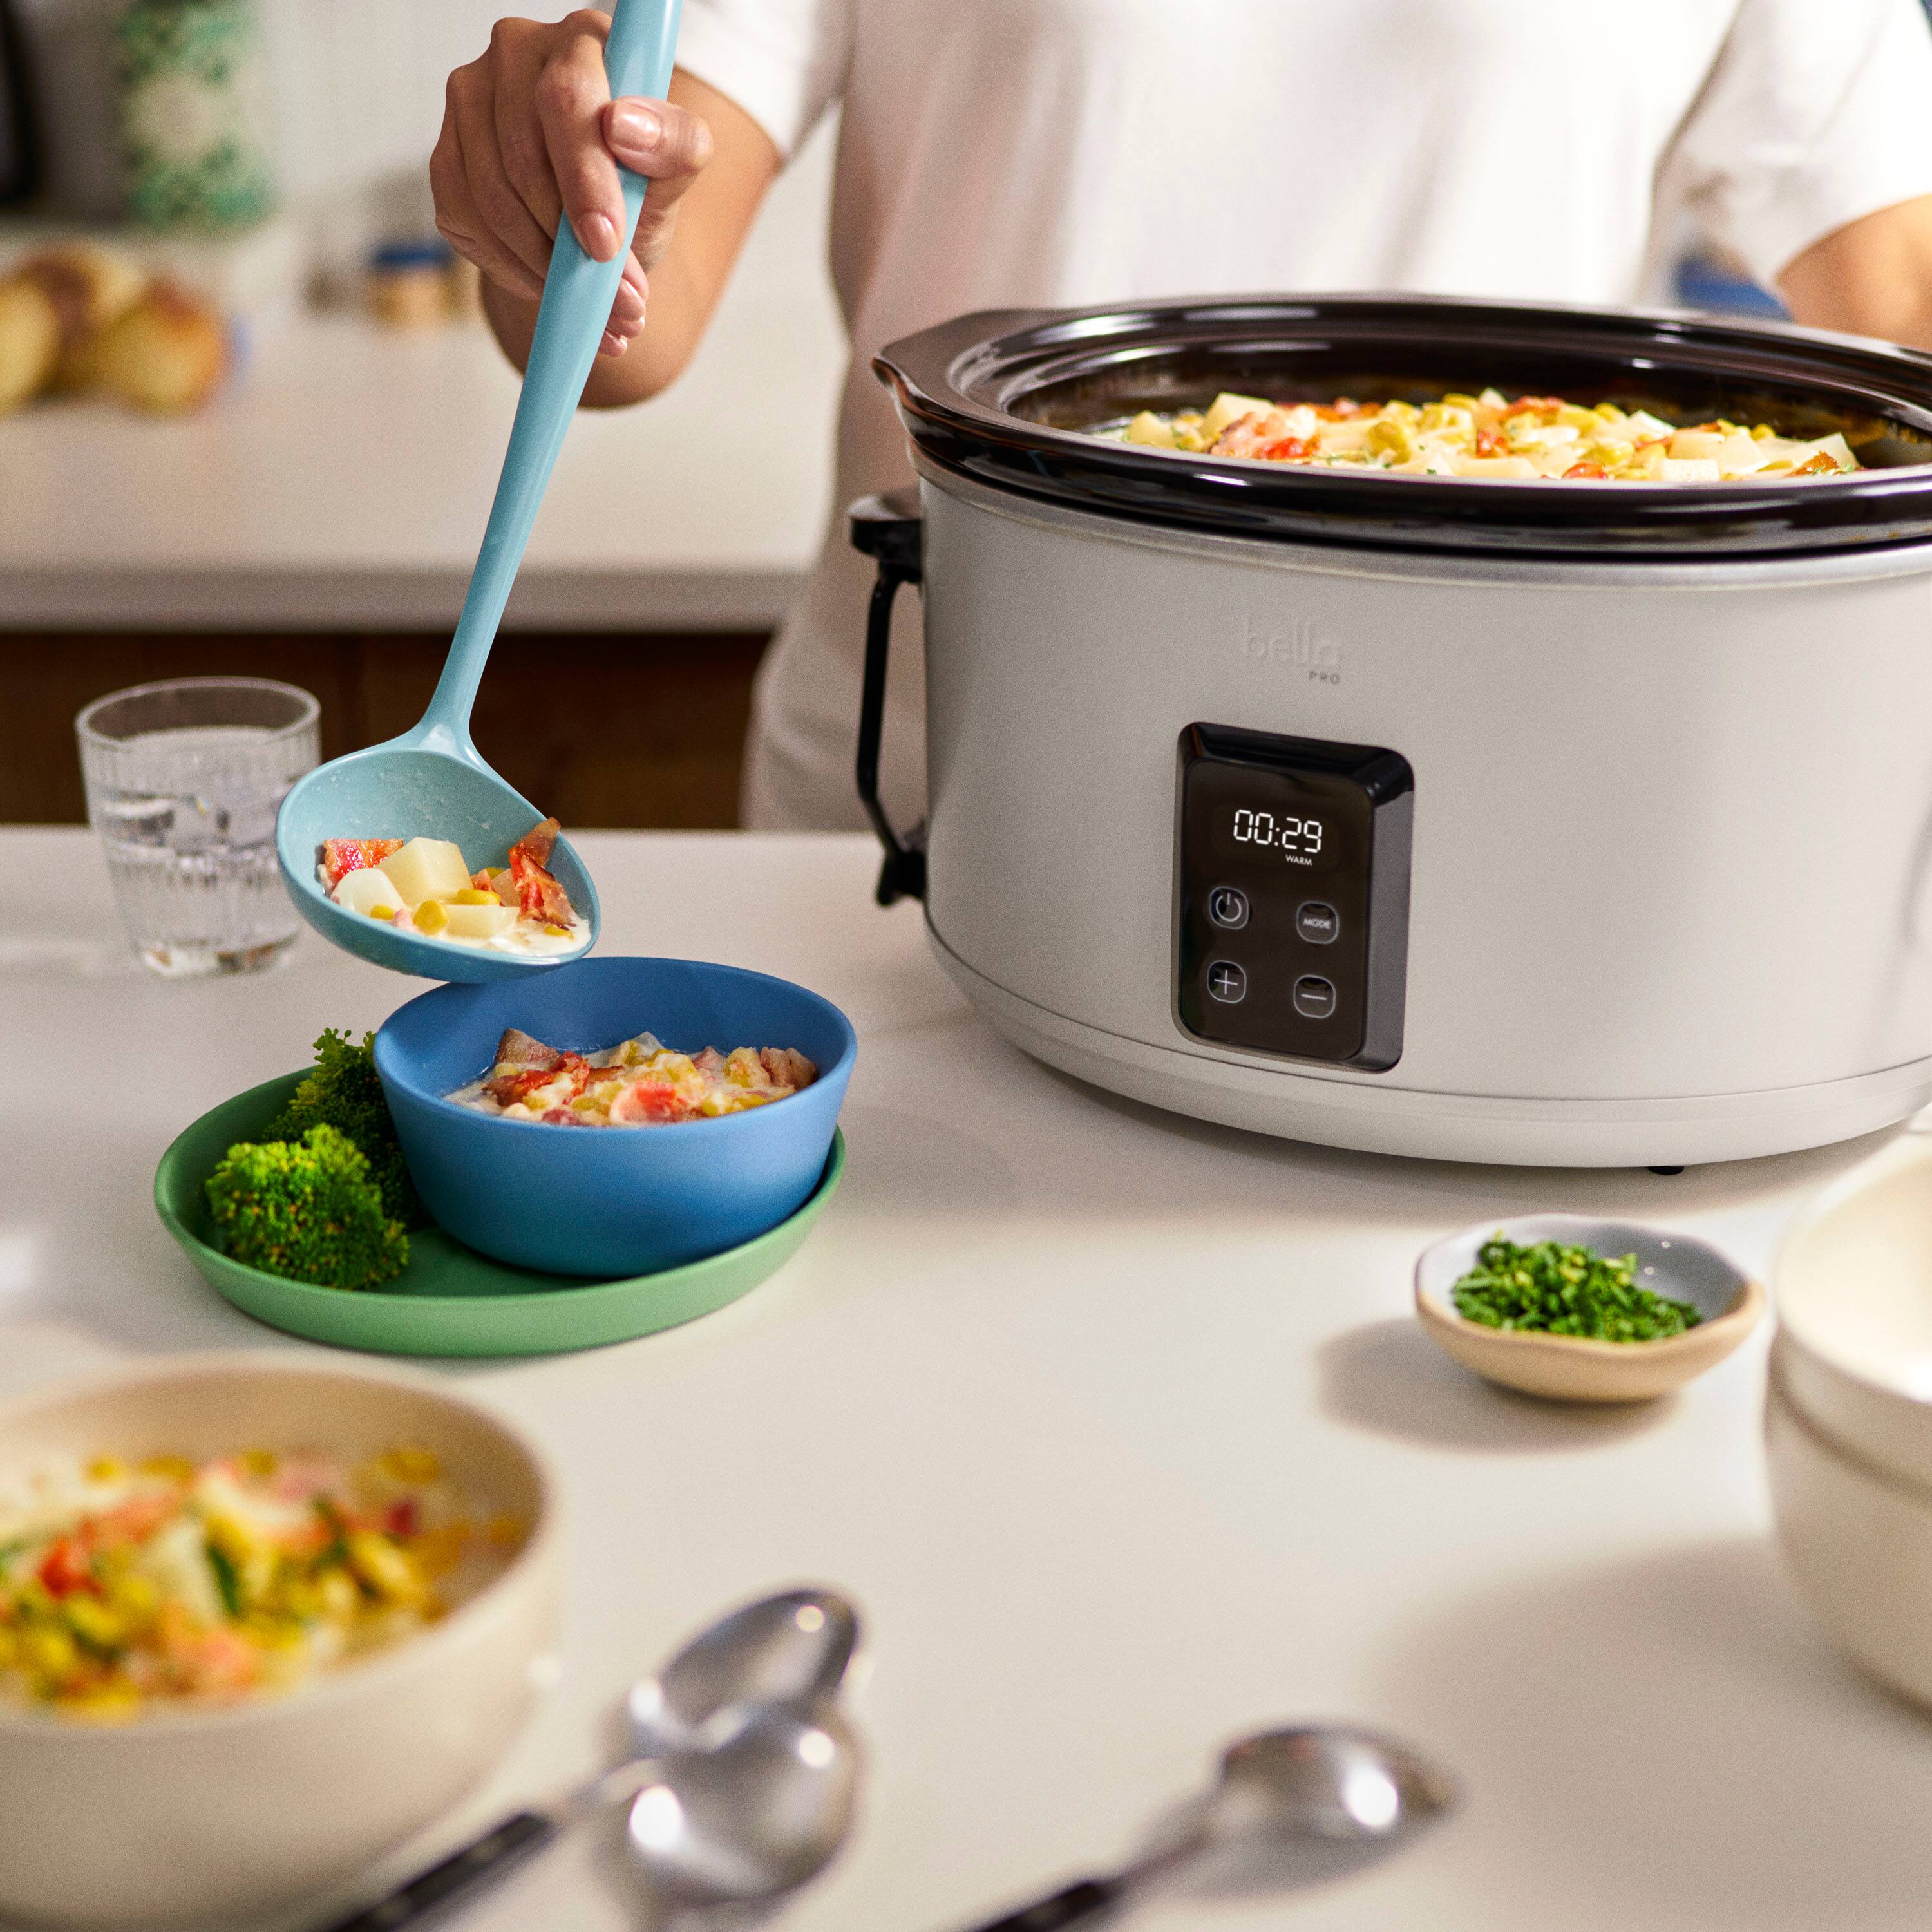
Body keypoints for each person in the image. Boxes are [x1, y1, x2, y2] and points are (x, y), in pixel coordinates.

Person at [432, 1, 1932, 832]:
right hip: (940, 793)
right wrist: (545, 186)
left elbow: (1900, 306)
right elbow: (625, 316)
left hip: (1499, 821)